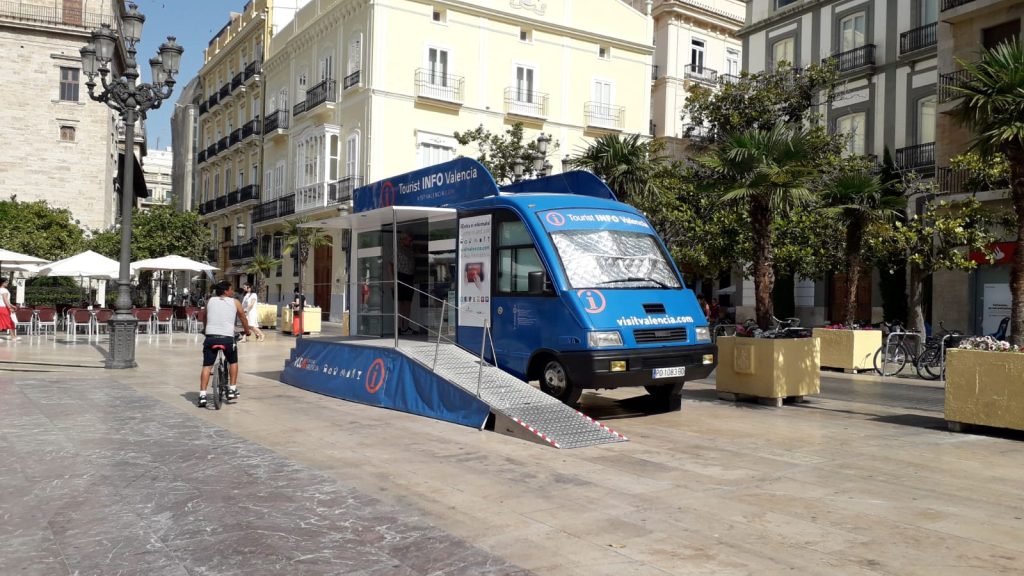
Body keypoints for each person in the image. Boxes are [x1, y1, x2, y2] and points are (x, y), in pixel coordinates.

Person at [197, 281, 250, 408]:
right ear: (226, 291)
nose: (232, 292)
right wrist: (247, 331)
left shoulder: (210, 301)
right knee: (233, 361)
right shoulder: (235, 302)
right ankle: (232, 389)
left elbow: (205, 317)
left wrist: (206, 329)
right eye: (231, 289)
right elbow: (243, 318)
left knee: (207, 366)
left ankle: (202, 396)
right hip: (227, 338)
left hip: (210, 338)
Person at [389, 231, 417, 335]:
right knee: (400, 302)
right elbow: (390, 264)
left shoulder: (410, 250)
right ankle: (400, 327)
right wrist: (392, 279)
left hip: (409, 277)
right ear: (402, 239)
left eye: (410, 240)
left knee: (408, 302)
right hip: (400, 276)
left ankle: (406, 326)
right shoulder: (397, 249)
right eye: (408, 239)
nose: (410, 241)